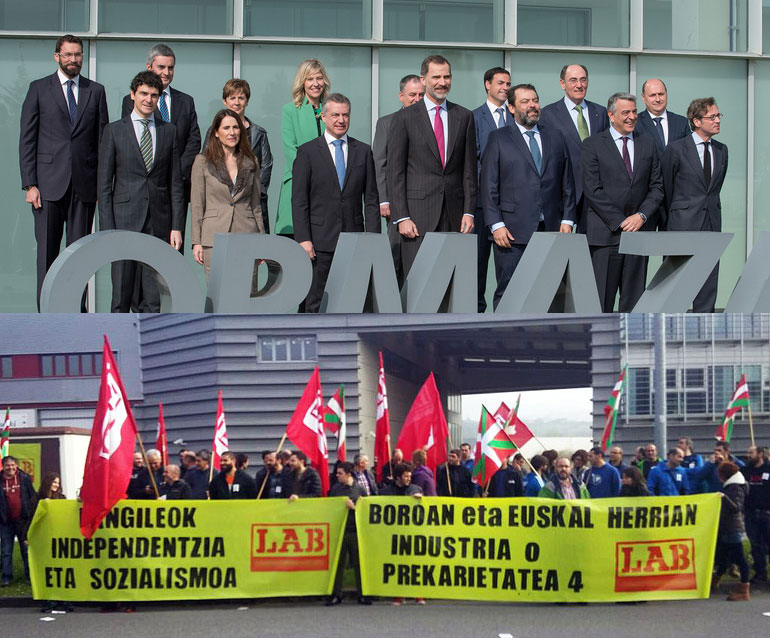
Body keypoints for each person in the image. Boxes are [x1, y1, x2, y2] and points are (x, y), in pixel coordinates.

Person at [19, 34, 109, 311]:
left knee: (79, 255)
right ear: (57, 56)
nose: (73, 59)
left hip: (84, 187)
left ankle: (75, 313)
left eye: (78, 54)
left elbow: (102, 142)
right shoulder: (38, 89)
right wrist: (30, 184)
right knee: (47, 253)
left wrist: (100, 186)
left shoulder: (96, 91)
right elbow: (27, 139)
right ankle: (47, 314)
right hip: (47, 186)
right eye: (68, 54)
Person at [481, 83, 576, 309]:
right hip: (511, 233)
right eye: (525, 102)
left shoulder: (555, 136)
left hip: (551, 230)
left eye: (535, 100)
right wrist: (496, 225)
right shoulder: (499, 138)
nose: (532, 105)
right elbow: (488, 185)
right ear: (511, 108)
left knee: (551, 293)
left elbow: (567, 181)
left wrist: (567, 219)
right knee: (510, 293)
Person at [98, 70, 184, 313]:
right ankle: (118, 336)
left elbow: (175, 183)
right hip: (123, 220)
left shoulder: (169, 131)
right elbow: (104, 186)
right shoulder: (114, 131)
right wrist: (107, 229)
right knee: (122, 293)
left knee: (153, 296)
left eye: (154, 95)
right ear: (133, 95)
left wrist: (177, 226)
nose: (149, 99)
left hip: (158, 222)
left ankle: (151, 336)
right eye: (144, 93)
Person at [387, 54, 477, 278]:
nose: (442, 82)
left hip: (455, 217)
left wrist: (469, 211)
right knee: (418, 283)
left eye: (446, 77)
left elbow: (469, 170)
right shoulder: (405, 118)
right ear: (423, 79)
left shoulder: (464, 116)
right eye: (436, 77)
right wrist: (402, 217)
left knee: (451, 283)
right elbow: (395, 172)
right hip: (417, 219)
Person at [292, 93, 380, 312]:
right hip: (319, 242)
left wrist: (372, 239)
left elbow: (371, 200)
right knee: (314, 303)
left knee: (352, 302)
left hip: (354, 240)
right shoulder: (307, 152)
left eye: (345, 115)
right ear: (323, 117)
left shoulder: (363, 151)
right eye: (335, 115)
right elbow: (299, 200)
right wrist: (303, 239)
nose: (341, 120)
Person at [581, 92, 663, 312]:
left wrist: (641, 216)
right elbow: (592, 189)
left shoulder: (648, 144)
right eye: (626, 112)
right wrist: (620, 221)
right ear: (611, 115)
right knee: (601, 303)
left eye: (634, 112)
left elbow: (657, 187)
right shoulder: (592, 145)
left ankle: (630, 337)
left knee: (634, 304)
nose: (632, 117)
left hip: (638, 234)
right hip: (606, 236)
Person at [661, 97, 728, 312]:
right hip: (682, 225)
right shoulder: (676, 149)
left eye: (718, 116)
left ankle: (706, 326)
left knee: (708, 282)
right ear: (697, 121)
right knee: (676, 284)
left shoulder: (722, 150)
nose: (717, 120)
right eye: (712, 116)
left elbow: (714, 189)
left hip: (711, 224)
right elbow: (667, 187)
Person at [121, 43, 200, 225]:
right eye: (161, 67)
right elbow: (133, 141)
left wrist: (178, 171)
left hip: (177, 185)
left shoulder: (186, 101)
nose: (166, 72)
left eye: (170, 68)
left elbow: (193, 140)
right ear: (149, 67)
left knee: (175, 235)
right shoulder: (132, 101)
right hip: (146, 185)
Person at [191, 108, 264, 284]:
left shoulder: (251, 161)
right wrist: (196, 242)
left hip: (247, 233)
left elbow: (256, 204)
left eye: (235, 127)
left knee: (248, 292)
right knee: (218, 292)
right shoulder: (202, 161)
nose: (232, 132)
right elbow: (197, 204)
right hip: (214, 236)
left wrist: (262, 240)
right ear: (216, 132)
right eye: (226, 128)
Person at [539, 64, 610, 232]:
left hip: (595, 193)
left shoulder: (600, 112)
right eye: (573, 80)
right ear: (562, 84)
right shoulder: (548, 114)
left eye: (583, 80)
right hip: (563, 194)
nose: (579, 85)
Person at [373, 74, 425, 285]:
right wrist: (384, 200)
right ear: (401, 96)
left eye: (421, 94)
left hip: (425, 201)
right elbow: (380, 163)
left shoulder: (433, 123)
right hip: (396, 204)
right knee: (395, 258)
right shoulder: (387, 123)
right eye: (412, 95)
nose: (417, 99)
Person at [204, 79, 272, 233]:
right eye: (232, 98)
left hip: (251, 203)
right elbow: (207, 164)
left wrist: (253, 191)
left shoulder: (258, 133)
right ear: (225, 101)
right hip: (221, 204)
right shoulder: (214, 131)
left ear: (247, 101)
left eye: (241, 98)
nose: (236, 102)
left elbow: (266, 166)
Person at [472, 67, 513, 311]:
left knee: (508, 267)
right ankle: (477, 313)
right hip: (481, 204)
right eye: (500, 83)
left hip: (510, 206)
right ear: (487, 84)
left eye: (508, 84)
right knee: (477, 264)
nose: (505, 88)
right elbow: (473, 160)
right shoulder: (474, 117)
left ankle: (505, 314)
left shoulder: (516, 116)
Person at [276, 59, 330, 237]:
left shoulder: (331, 110)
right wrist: (313, 174)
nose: (315, 83)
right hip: (299, 180)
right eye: (310, 79)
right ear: (302, 82)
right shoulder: (290, 110)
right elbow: (290, 149)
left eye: (319, 78)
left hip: (327, 184)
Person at [326, 461, 370, 606]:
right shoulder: (335, 489)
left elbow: (366, 511)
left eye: (340, 473)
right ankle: (336, 594)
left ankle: (362, 594)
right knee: (337, 564)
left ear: (349, 474)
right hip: (340, 531)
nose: (337, 476)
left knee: (359, 563)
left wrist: (354, 508)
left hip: (355, 531)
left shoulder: (360, 489)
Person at [712, 462, 751, 601]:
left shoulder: (735, 488)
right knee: (723, 557)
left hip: (733, 528)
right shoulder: (733, 486)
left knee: (740, 559)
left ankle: (744, 590)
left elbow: (736, 507)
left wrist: (724, 498)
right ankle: (715, 581)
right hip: (729, 528)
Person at [0, 456, 37, 586]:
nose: (10, 468)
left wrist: (31, 513)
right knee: (6, 550)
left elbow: (32, 496)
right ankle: (6, 577)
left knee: (26, 549)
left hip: (23, 520)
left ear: (16, 466)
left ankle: (29, 576)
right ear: (3, 466)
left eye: (12, 465)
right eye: (7, 465)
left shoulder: (24, 478)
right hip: (5, 521)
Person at [636, 78, 690, 159]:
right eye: (652, 95)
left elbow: (689, 153)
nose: (658, 99)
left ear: (666, 94)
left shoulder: (681, 122)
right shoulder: (636, 123)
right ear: (643, 98)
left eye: (661, 94)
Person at [742, 445, 770, 586]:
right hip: (751, 514)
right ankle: (760, 573)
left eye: (751, 452)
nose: (749, 455)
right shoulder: (746, 470)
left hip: (766, 513)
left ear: (760, 454)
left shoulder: (768, 469)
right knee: (756, 545)